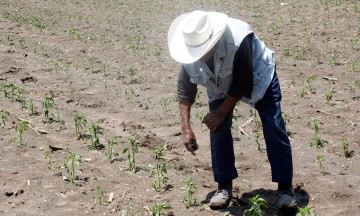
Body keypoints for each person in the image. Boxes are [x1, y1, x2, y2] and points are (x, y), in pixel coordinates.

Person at [167, 10, 297, 210]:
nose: (199, 55)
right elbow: (185, 89)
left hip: (259, 75)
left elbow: (243, 83)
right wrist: (186, 127)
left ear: (213, 40)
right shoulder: (188, 51)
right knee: (217, 129)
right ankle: (224, 186)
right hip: (219, 84)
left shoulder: (238, 38)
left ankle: (285, 189)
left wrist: (220, 113)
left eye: (203, 50)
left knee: (274, 126)